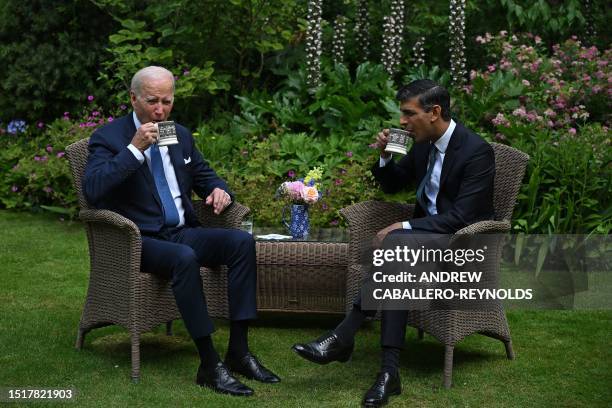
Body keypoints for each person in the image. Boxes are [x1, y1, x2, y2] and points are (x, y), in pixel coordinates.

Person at [292, 79, 495, 407]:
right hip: (418, 244)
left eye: (408, 113)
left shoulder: (476, 151)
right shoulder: (425, 143)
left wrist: (404, 224)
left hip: (462, 245)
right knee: (399, 255)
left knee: (398, 245)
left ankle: (344, 338)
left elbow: (461, 217)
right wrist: (386, 157)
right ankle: (388, 372)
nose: (401, 122)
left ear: (435, 112)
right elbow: (392, 185)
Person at [83, 66, 279, 397]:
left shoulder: (176, 133)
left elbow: (204, 175)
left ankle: (239, 351)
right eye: (152, 102)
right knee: (184, 258)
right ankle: (209, 362)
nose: (160, 111)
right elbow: (93, 189)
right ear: (133, 99)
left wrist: (219, 190)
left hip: (181, 231)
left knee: (241, 243)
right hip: (139, 241)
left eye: (167, 102)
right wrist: (134, 150)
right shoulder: (109, 138)